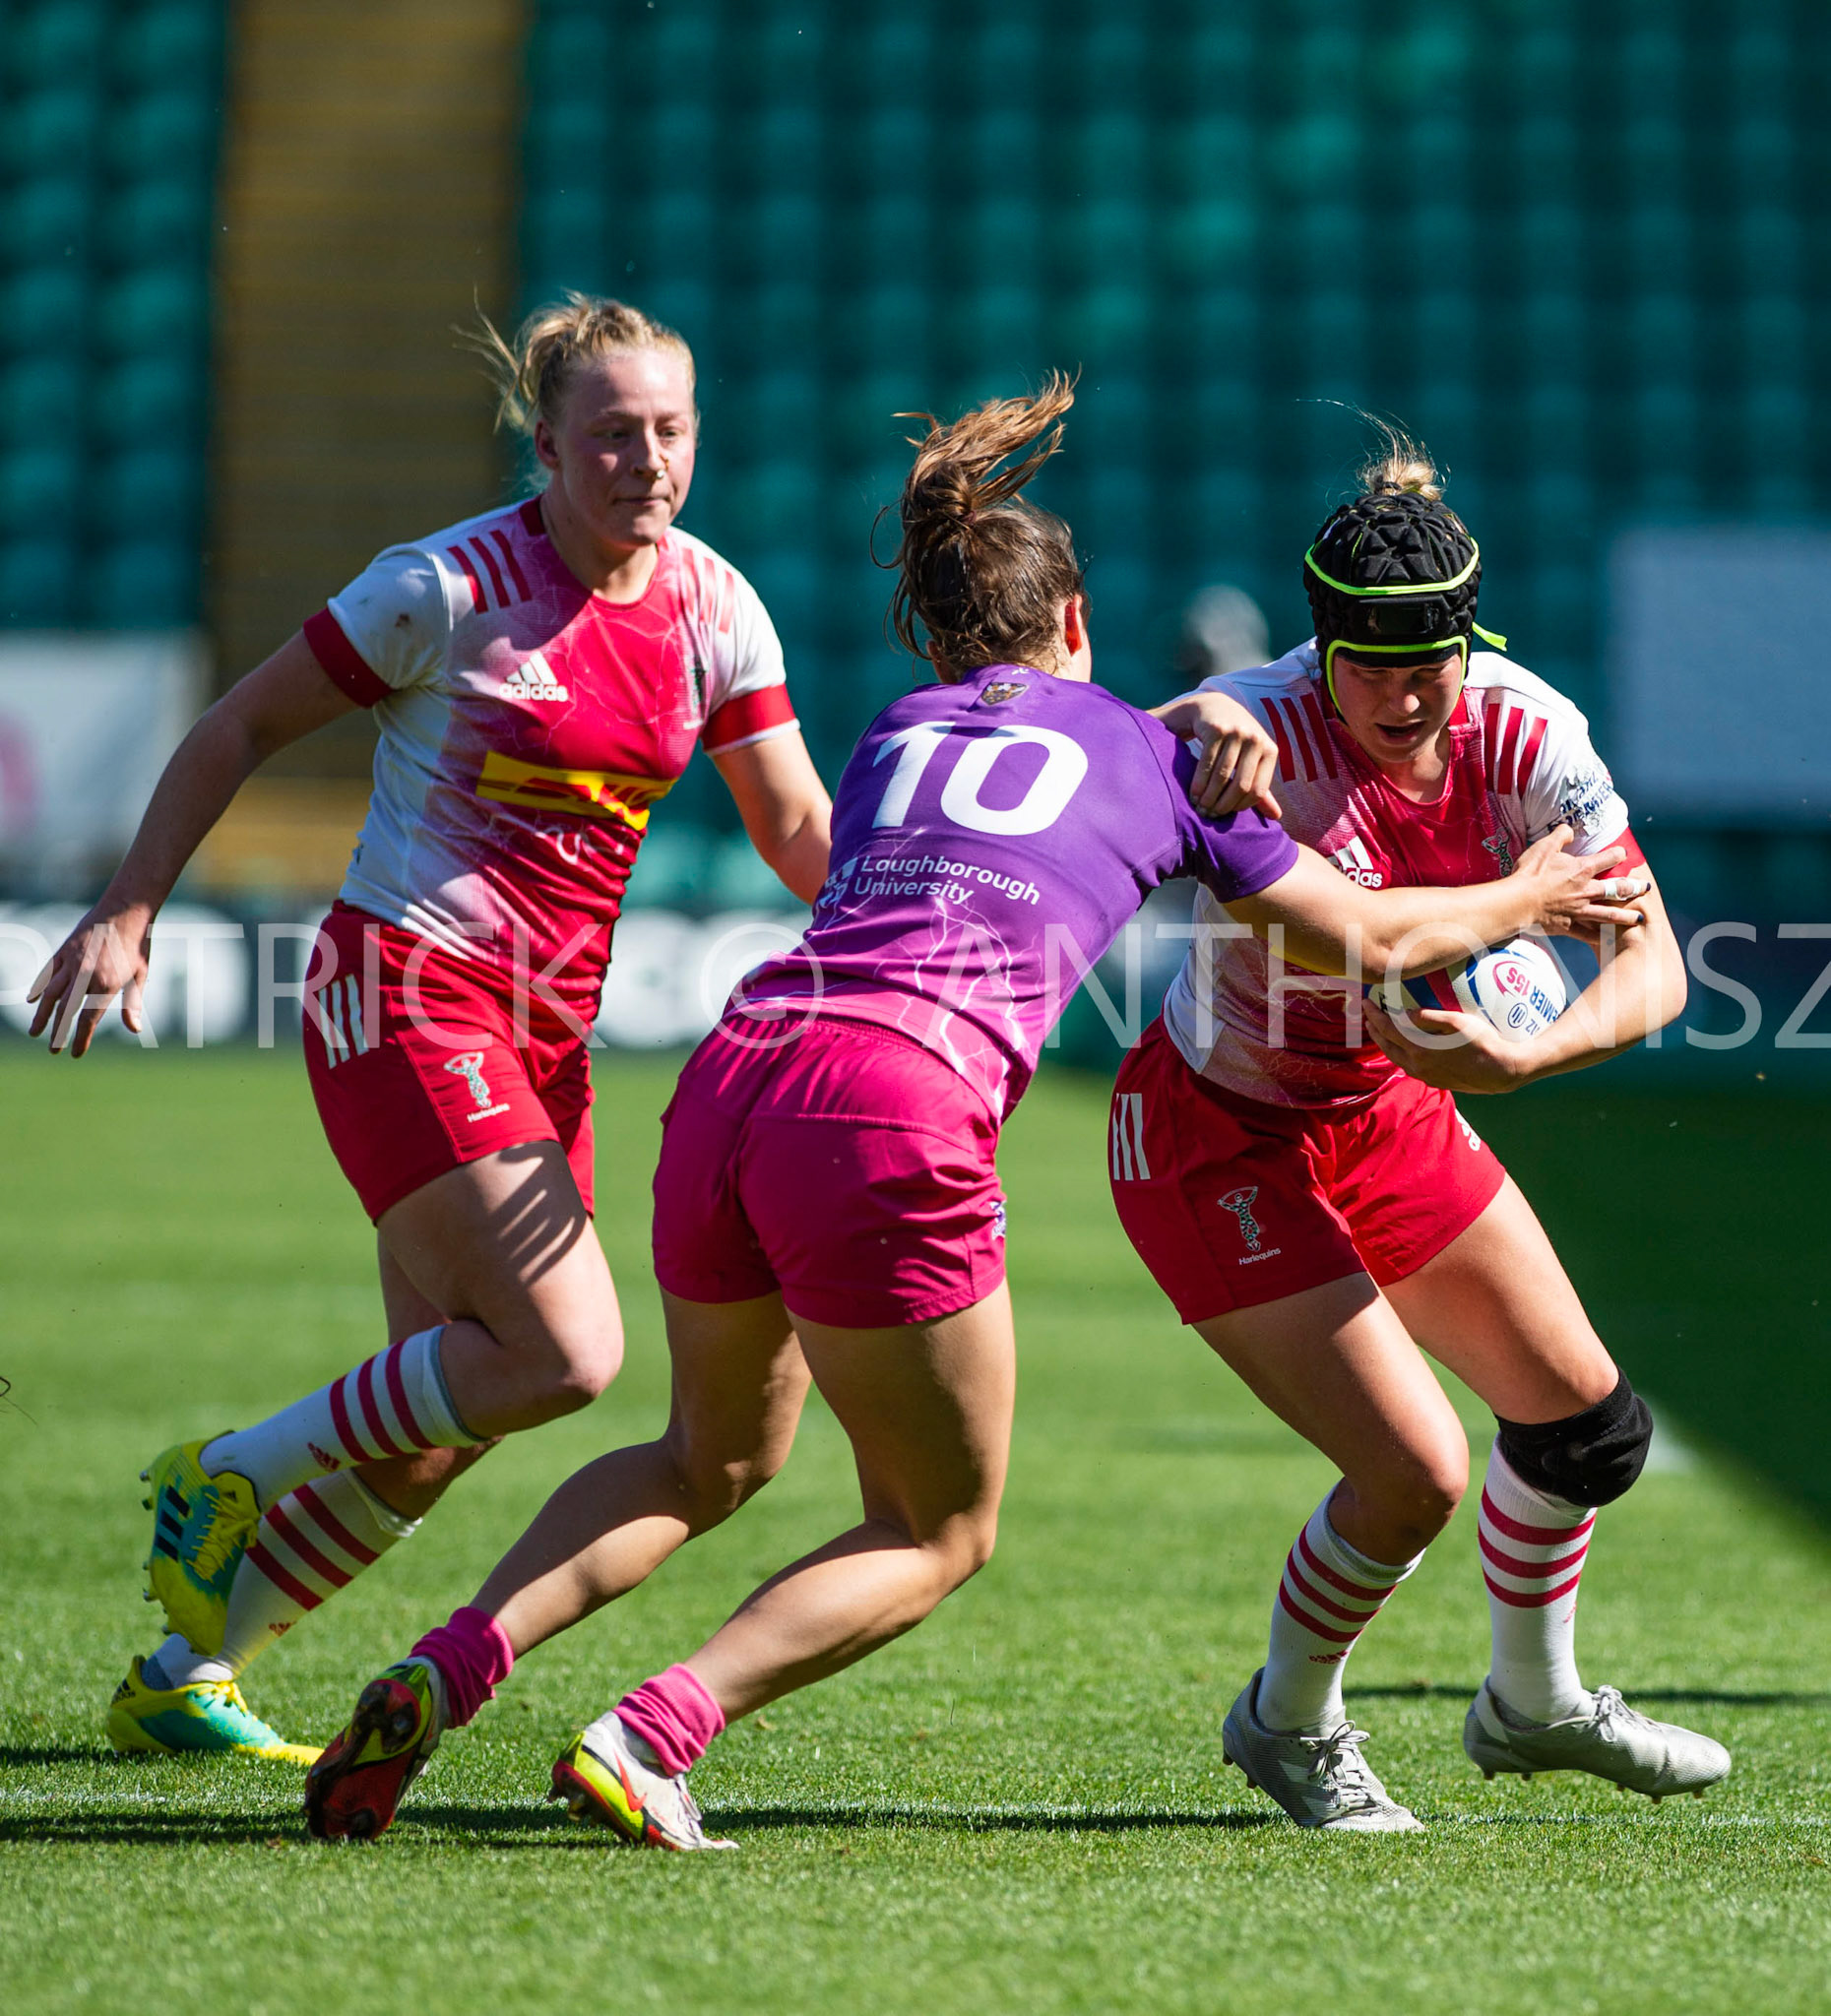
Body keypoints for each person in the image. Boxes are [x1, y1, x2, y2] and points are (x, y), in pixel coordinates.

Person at [296, 378, 1637, 1848]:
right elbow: (1365, 938)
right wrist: (1528, 900)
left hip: (741, 1066)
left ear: (937, 642)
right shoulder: (1152, 752)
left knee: (706, 1458)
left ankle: (452, 1658)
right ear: (1076, 626)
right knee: (938, 1529)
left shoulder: (898, 734)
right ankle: (649, 1730)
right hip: (892, 1105)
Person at [26, 294, 833, 1763]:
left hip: (546, 1035)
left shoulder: (716, 606)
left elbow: (792, 825)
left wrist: (916, 938)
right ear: (547, 443)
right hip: (404, 988)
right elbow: (239, 728)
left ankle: (181, 1668)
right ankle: (223, 1472)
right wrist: (131, 908)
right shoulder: (444, 587)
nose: (644, 462)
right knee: (569, 1357)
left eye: (670, 432)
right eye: (610, 435)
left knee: (440, 1423)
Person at [1109, 430, 1731, 1830]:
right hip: (1223, 1130)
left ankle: (1531, 1704)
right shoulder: (1254, 738)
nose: (1401, 695)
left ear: (1472, 639)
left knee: (1587, 1435)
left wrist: (1534, 1048)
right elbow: (1112, 774)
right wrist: (1174, 723)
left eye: (1429, 661)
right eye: (1368, 662)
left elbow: (1659, 967)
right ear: (1315, 647)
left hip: (1386, 1112)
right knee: (1412, 1476)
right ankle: (1287, 1722)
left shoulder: (1527, 733)